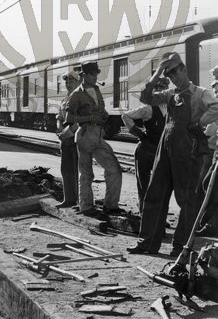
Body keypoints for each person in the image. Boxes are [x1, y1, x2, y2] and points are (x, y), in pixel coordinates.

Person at [129, 52, 218, 257]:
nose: (173, 78)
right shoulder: (170, 94)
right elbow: (145, 97)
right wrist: (157, 74)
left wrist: (199, 122)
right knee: (154, 195)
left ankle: (180, 248)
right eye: (169, 75)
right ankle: (146, 244)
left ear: (184, 69)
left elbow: (216, 107)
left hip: (187, 151)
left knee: (186, 199)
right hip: (165, 150)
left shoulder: (200, 93)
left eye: (175, 73)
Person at [65, 60, 123, 217]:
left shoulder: (97, 90)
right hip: (84, 134)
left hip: (98, 134)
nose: (94, 77)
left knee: (114, 169)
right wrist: (87, 118)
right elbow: (68, 117)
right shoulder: (76, 94)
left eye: (96, 74)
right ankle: (86, 206)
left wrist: (103, 115)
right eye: (91, 74)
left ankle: (111, 205)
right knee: (86, 173)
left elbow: (100, 109)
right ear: (84, 75)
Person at [121, 78, 167, 211]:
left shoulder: (169, 107)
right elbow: (126, 116)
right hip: (146, 150)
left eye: (163, 88)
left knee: (160, 185)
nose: (161, 91)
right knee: (144, 184)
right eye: (159, 88)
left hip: (161, 151)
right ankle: (144, 213)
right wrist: (139, 134)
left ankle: (156, 214)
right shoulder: (148, 108)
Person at [55, 69, 80, 208]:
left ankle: (80, 201)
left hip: (76, 137)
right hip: (65, 139)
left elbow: (81, 120)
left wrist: (68, 132)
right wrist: (59, 130)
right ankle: (68, 199)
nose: (68, 83)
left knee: (78, 171)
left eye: (71, 80)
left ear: (78, 82)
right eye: (66, 81)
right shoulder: (64, 99)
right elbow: (59, 116)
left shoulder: (82, 98)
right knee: (66, 169)